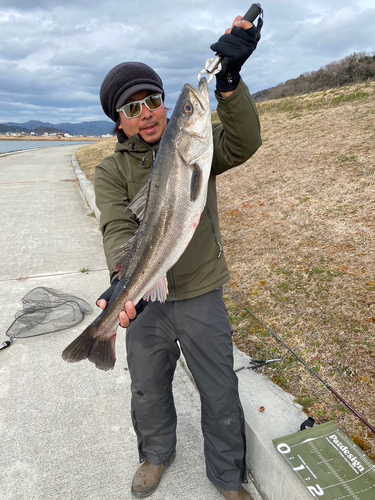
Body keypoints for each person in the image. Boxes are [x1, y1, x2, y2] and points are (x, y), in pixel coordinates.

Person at [95, 15, 262, 500]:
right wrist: (120, 286)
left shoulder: (198, 146)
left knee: (219, 391)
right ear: (118, 118)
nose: (148, 112)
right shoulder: (111, 171)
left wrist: (227, 83)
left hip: (201, 292)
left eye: (155, 100)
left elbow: (245, 141)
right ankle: (155, 456)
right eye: (133, 107)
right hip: (146, 301)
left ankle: (227, 479)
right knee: (147, 389)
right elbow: (117, 227)